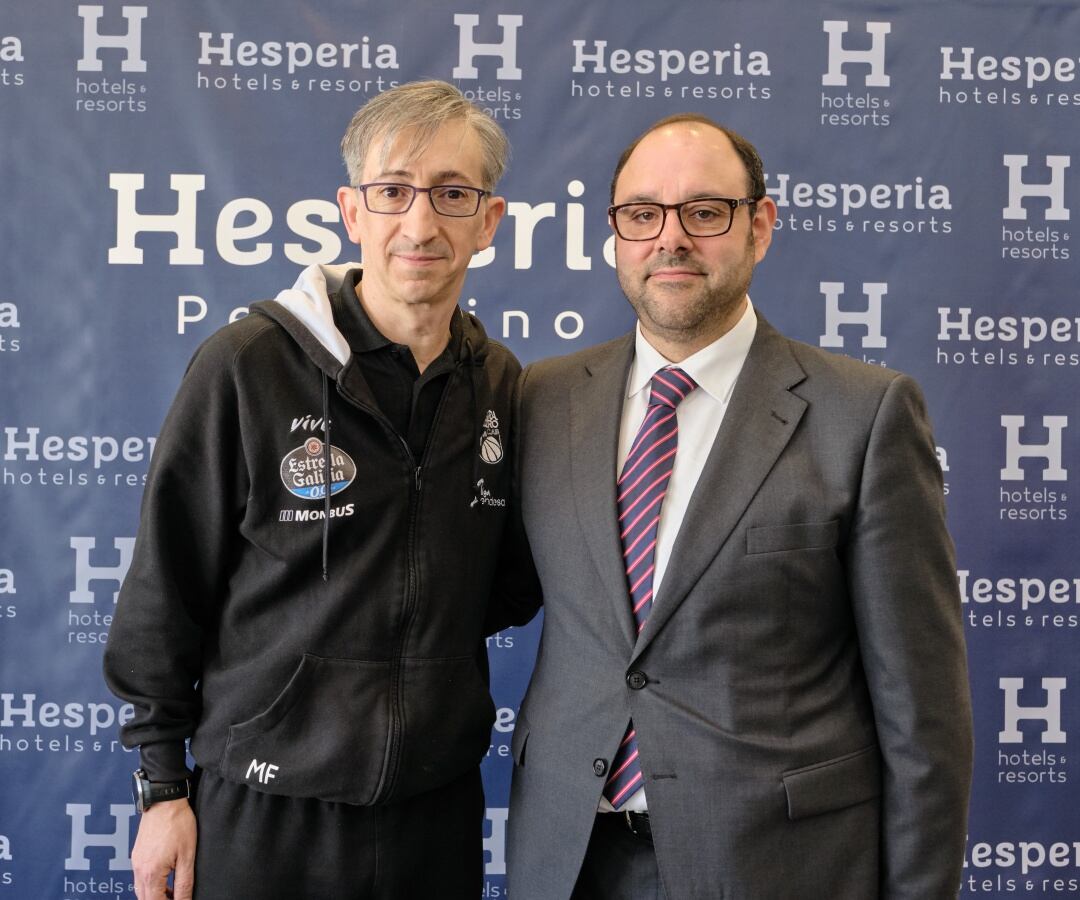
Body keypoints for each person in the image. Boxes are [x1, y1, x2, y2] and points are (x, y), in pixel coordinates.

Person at [500, 114, 973, 899]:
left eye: (705, 212)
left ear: (760, 226)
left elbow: (923, 714)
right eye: (643, 214)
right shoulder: (544, 400)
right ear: (616, 232)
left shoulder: (864, 414)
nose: (670, 238)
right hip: (569, 860)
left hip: (777, 865)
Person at [104, 80, 522, 899]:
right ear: (351, 212)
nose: (421, 221)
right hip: (265, 807)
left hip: (433, 815)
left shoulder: (498, 385)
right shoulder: (247, 365)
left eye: (452, 193)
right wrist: (161, 789)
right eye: (393, 191)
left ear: (489, 221)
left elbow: (505, 583)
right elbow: (164, 588)